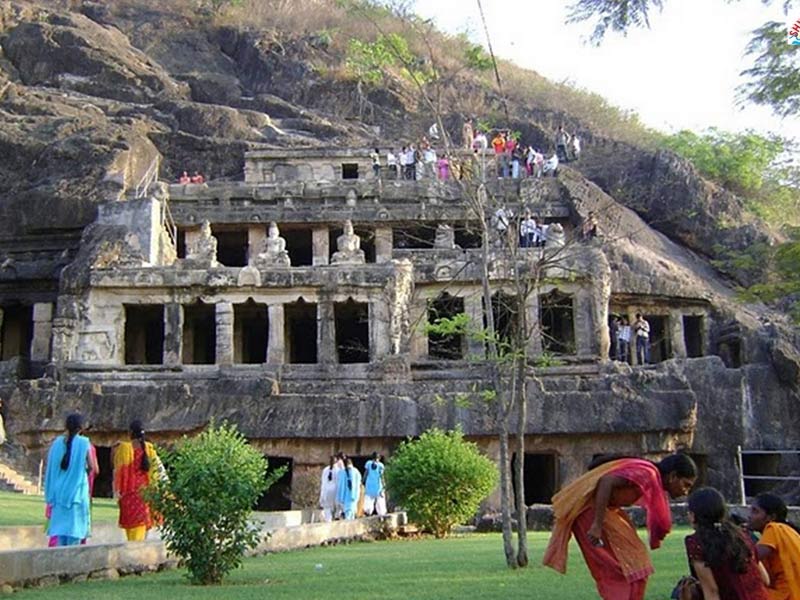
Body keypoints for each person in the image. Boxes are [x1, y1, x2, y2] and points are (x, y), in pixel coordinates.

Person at [543, 453, 697, 600]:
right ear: (673, 476)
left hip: (606, 512)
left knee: (638, 564)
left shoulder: (651, 476)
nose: (685, 491)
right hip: (591, 512)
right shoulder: (648, 474)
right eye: (686, 485)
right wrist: (596, 525)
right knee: (619, 570)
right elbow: (606, 481)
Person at [683, 487, 769, 600]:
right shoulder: (742, 535)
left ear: (693, 515)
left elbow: (712, 592)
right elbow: (765, 579)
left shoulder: (696, 542)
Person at [44, 413, 98, 546]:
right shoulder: (84, 443)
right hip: (76, 496)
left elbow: (51, 468)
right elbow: (94, 468)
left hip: (59, 497)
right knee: (74, 537)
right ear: (81, 428)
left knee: (59, 539)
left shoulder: (56, 444)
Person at [113, 419, 161, 541]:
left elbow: (118, 472)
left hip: (128, 496)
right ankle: (137, 559)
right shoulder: (149, 449)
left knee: (132, 534)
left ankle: (134, 559)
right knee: (141, 531)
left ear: (129, 433)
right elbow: (157, 473)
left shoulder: (124, 449)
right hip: (144, 495)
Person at [748, 492, 800, 600]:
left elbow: (751, 557)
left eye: (755, 511)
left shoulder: (774, 528)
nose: (749, 516)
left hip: (784, 595)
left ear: (771, 517)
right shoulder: (791, 531)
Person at [362, 452, 386, 516]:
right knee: (380, 502)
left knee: (368, 500)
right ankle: (381, 515)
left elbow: (365, 474)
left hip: (369, 486)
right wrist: (384, 485)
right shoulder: (380, 465)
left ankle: (368, 512)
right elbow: (382, 477)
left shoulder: (368, 463)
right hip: (378, 486)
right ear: (379, 458)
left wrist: (362, 482)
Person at [319, 455, 340, 522]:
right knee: (337, 509)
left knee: (327, 510)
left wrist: (322, 496)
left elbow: (323, 483)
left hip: (326, 492)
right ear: (336, 462)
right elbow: (338, 483)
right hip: (335, 492)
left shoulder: (325, 470)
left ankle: (328, 522)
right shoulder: (338, 470)